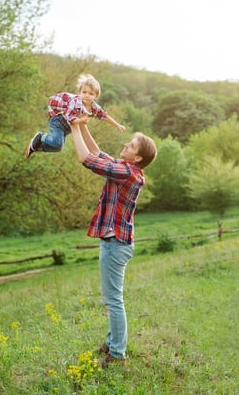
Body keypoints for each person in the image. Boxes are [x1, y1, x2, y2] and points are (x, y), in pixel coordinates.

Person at [70, 122, 157, 368]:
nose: (125, 144)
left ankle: (117, 354)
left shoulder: (127, 173)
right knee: (112, 299)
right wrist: (83, 125)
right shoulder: (125, 168)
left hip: (115, 244)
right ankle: (112, 344)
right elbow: (98, 154)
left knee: (113, 301)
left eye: (130, 145)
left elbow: (85, 159)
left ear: (137, 157)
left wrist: (74, 128)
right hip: (116, 242)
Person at [25, 74, 126, 158]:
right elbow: (70, 119)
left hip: (66, 128)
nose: (87, 95)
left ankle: (35, 146)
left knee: (58, 148)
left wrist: (117, 125)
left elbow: (103, 116)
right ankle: (41, 136)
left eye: (91, 93)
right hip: (58, 121)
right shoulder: (75, 102)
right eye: (84, 92)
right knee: (57, 143)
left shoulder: (94, 107)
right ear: (80, 92)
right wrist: (81, 121)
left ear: (96, 96)